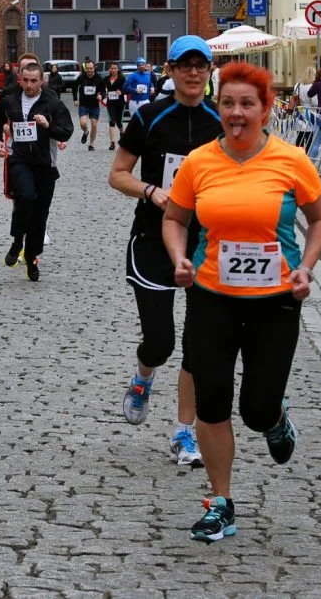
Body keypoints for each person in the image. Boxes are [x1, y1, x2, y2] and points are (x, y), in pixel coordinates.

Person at [162, 61, 321, 543]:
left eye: (247, 104)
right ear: (220, 107)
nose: (236, 113)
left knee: (256, 408)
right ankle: (221, 503)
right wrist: (180, 258)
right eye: (228, 104)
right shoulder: (199, 162)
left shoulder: (290, 161)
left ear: (266, 109)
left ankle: (275, 421)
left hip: (275, 301)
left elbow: (320, 219)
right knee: (212, 403)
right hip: (211, 296)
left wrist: (307, 267)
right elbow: (175, 218)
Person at [107, 35, 222, 466]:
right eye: (184, 65)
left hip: (207, 243)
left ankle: (184, 432)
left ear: (210, 71)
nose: (194, 73)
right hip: (154, 240)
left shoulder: (221, 120)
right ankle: (143, 378)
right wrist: (151, 191)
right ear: (170, 71)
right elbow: (118, 175)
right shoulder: (151, 118)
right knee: (160, 341)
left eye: (201, 65)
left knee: (197, 346)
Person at [0, 61, 74, 281]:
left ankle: (31, 255)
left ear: (41, 81)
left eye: (33, 81)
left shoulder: (52, 103)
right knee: (24, 196)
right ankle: (18, 240)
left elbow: (66, 132)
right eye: (25, 80)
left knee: (39, 214)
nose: (29, 85)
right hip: (19, 160)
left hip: (45, 164)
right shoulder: (10, 99)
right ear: (20, 79)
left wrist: (48, 126)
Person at [72, 61, 107, 151]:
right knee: (83, 123)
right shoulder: (81, 77)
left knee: (94, 125)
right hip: (83, 104)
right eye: (87, 68)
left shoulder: (99, 78)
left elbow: (104, 91)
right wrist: (75, 99)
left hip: (94, 105)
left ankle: (91, 144)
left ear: (94, 68)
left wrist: (101, 96)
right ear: (85, 68)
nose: (89, 70)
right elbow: (74, 87)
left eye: (91, 68)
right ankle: (86, 131)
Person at [103, 62, 126, 151]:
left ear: (118, 69)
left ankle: (122, 133)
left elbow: (126, 89)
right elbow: (101, 89)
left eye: (114, 68)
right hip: (110, 104)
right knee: (112, 121)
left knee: (119, 122)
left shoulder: (122, 78)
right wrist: (104, 94)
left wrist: (122, 92)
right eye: (111, 68)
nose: (113, 70)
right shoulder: (106, 79)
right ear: (109, 69)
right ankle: (112, 142)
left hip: (120, 103)